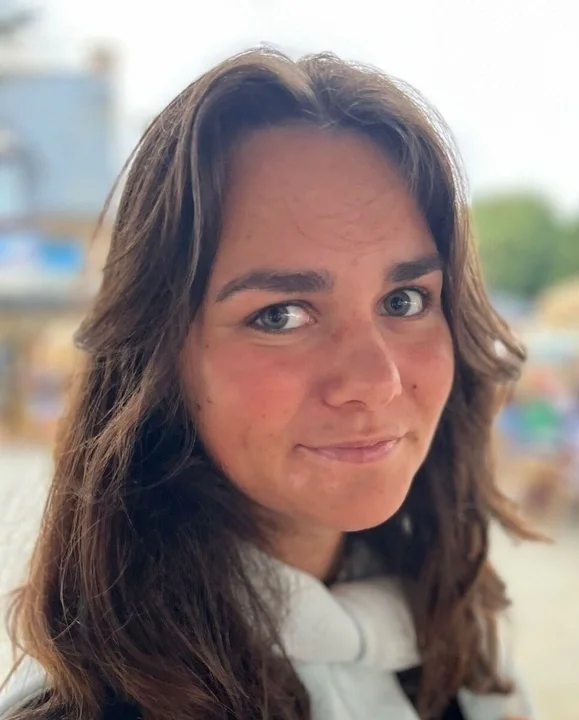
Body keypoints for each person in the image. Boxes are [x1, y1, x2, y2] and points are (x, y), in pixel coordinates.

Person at [0, 48, 537, 720]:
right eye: (281, 315)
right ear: (159, 357)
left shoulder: (465, 662)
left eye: (404, 301)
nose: (377, 381)